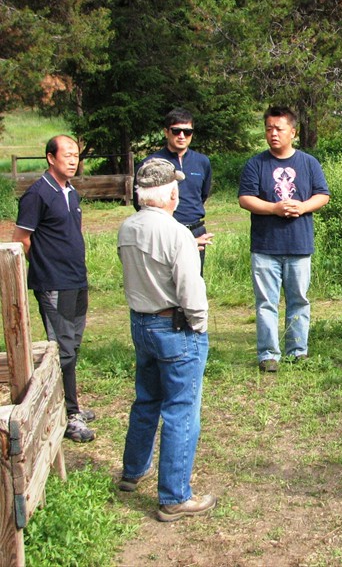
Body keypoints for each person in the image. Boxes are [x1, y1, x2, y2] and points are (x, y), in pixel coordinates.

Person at [117, 158, 216, 522]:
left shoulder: (126, 228)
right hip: (174, 328)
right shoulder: (177, 234)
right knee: (181, 409)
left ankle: (133, 471)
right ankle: (174, 496)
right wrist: (200, 325)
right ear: (171, 194)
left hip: (141, 323)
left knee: (146, 399)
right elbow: (191, 289)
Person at [12, 135, 96, 443]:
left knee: (72, 345)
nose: (73, 160)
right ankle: (66, 415)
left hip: (76, 279)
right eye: (67, 155)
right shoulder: (38, 194)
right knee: (60, 349)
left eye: (76, 155)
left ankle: (69, 402)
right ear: (50, 158)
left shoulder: (71, 192)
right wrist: (44, 265)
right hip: (54, 283)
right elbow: (21, 237)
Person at [238, 106, 330, 373]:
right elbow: (246, 199)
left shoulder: (308, 163)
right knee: (266, 302)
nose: (273, 134)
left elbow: (322, 195)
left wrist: (302, 207)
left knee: (299, 299)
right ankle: (268, 354)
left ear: (293, 132)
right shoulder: (256, 163)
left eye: (279, 128)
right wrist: (274, 208)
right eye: (269, 128)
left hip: (299, 245)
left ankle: (297, 350)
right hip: (265, 246)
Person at [138, 107, 214, 272]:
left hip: (195, 230)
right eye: (176, 130)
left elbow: (202, 195)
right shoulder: (152, 163)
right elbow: (140, 201)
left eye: (187, 132)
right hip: (162, 232)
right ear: (166, 132)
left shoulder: (202, 162)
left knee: (192, 283)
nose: (181, 136)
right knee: (163, 284)